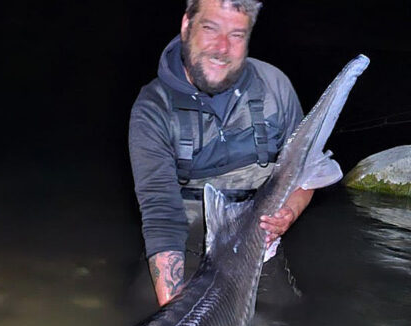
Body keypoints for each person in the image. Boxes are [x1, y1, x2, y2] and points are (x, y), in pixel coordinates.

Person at [129, 0, 314, 306]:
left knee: (286, 323)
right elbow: (161, 215)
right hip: (183, 244)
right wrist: (173, 312)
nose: (222, 48)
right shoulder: (154, 107)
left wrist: (290, 212)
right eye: (210, 29)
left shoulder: (275, 87)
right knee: (140, 312)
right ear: (187, 26)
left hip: (256, 248)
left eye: (236, 35)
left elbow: (308, 173)